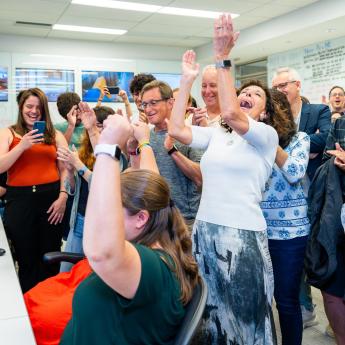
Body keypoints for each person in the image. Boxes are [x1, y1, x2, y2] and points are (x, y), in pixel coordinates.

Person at [168, 14, 278, 344]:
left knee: (247, 319)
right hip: (205, 230)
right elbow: (175, 131)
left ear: (266, 112)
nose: (246, 95)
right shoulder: (218, 133)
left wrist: (221, 58)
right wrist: (187, 81)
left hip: (242, 235)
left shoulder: (266, 136)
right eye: (243, 91)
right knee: (210, 315)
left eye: (255, 95)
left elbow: (230, 112)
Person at [57, 108, 200, 344]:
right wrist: (141, 144)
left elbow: (101, 252)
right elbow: (152, 187)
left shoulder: (154, 267)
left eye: (114, 209)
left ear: (141, 218)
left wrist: (108, 145)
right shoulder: (157, 229)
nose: (107, 217)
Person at [272, 67, 331, 326]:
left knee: (311, 250)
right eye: (276, 88)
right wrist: (308, 146)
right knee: (293, 253)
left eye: (284, 85)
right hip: (283, 197)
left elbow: (327, 139)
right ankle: (304, 305)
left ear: (297, 84)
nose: (280, 91)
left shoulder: (318, 111)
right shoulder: (274, 115)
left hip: (315, 191)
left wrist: (304, 146)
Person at [0, 87, 68, 292]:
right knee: (26, 259)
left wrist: (63, 196)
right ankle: (29, 306)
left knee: (50, 258)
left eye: (38, 107)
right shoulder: (8, 133)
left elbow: (65, 169)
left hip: (52, 201)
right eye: (29, 106)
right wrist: (22, 146)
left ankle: (49, 304)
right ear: (21, 108)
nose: (34, 111)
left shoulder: (54, 135)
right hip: (19, 203)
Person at [261, 89, 310, 345]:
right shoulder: (251, 141)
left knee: (286, 301)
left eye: (266, 110)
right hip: (256, 230)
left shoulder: (300, 138)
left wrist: (270, 140)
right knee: (261, 299)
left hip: (290, 235)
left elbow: (294, 172)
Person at [58, 106, 128, 272]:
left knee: (93, 274)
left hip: (102, 224)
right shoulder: (83, 152)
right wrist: (69, 171)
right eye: (94, 125)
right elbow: (72, 189)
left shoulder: (116, 156)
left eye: (100, 126)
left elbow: (104, 184)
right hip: (79, 219)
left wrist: (79, 166)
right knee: (66, 273)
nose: (97, 130)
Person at [139, 80, 203, 229]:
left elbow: (200, 178)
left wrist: (172, 151)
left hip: (182, 222)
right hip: (152, 220)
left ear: (170, 103)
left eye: (153, 103)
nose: (148, 109)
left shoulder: (189, 134)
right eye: (144, 104)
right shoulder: (145, 136)